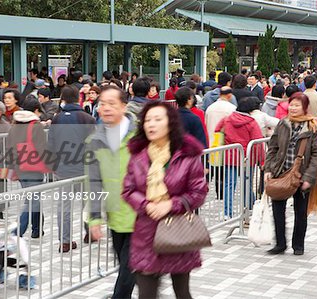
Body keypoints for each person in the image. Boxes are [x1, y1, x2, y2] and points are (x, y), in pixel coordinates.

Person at [122, 101, 208, 299]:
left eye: (157, 119)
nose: (151, 124)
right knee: (146, 294)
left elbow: (198, 192)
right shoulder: (138, 156)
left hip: (177, 232)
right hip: (146, 233)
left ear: (170, 123)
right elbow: (128, 189)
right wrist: (147, 205)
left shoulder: (186, 155)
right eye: (148, 120)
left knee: (182, 293)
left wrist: (171, 204)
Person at [87, 85, 137, 299]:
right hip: (117, 216)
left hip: (144, 214)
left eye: (111, 104)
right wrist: (95, 218)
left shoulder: (142, 135)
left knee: (129, 269)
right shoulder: (94, 141)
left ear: (124, 106)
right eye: (102, 104)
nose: (105, 108)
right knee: (125, 266)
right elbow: (95, 182)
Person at [264, 92, 317, 255]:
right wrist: (268, 169)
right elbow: (273, 148)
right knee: (277, 210)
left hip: (301, 175)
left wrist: (309, 177)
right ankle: (280, 244)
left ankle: (298, 245)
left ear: (304, 107)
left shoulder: (312, 126)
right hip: (280, 172)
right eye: (291, 104)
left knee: (301, 212)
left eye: (297, 105)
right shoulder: (283, 123)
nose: (293, 108)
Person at [47, 85, 96, 252]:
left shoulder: (57, 119)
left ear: (63, 99)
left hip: (62, 170)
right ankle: (89, 232)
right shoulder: (88, 118)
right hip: (85, 169)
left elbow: (51, 144)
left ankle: (65, 241)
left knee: (64, 206)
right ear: (78, 98)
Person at [7, 97, 49, 239]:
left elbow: (9, 148)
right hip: (34, 167)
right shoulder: (36, 126)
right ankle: (18, 231)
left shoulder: (14, 125)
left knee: (32, 197)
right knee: (33, 200)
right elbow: (42, 149)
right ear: (36, 110)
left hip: (20, 167)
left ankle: (37, 229)